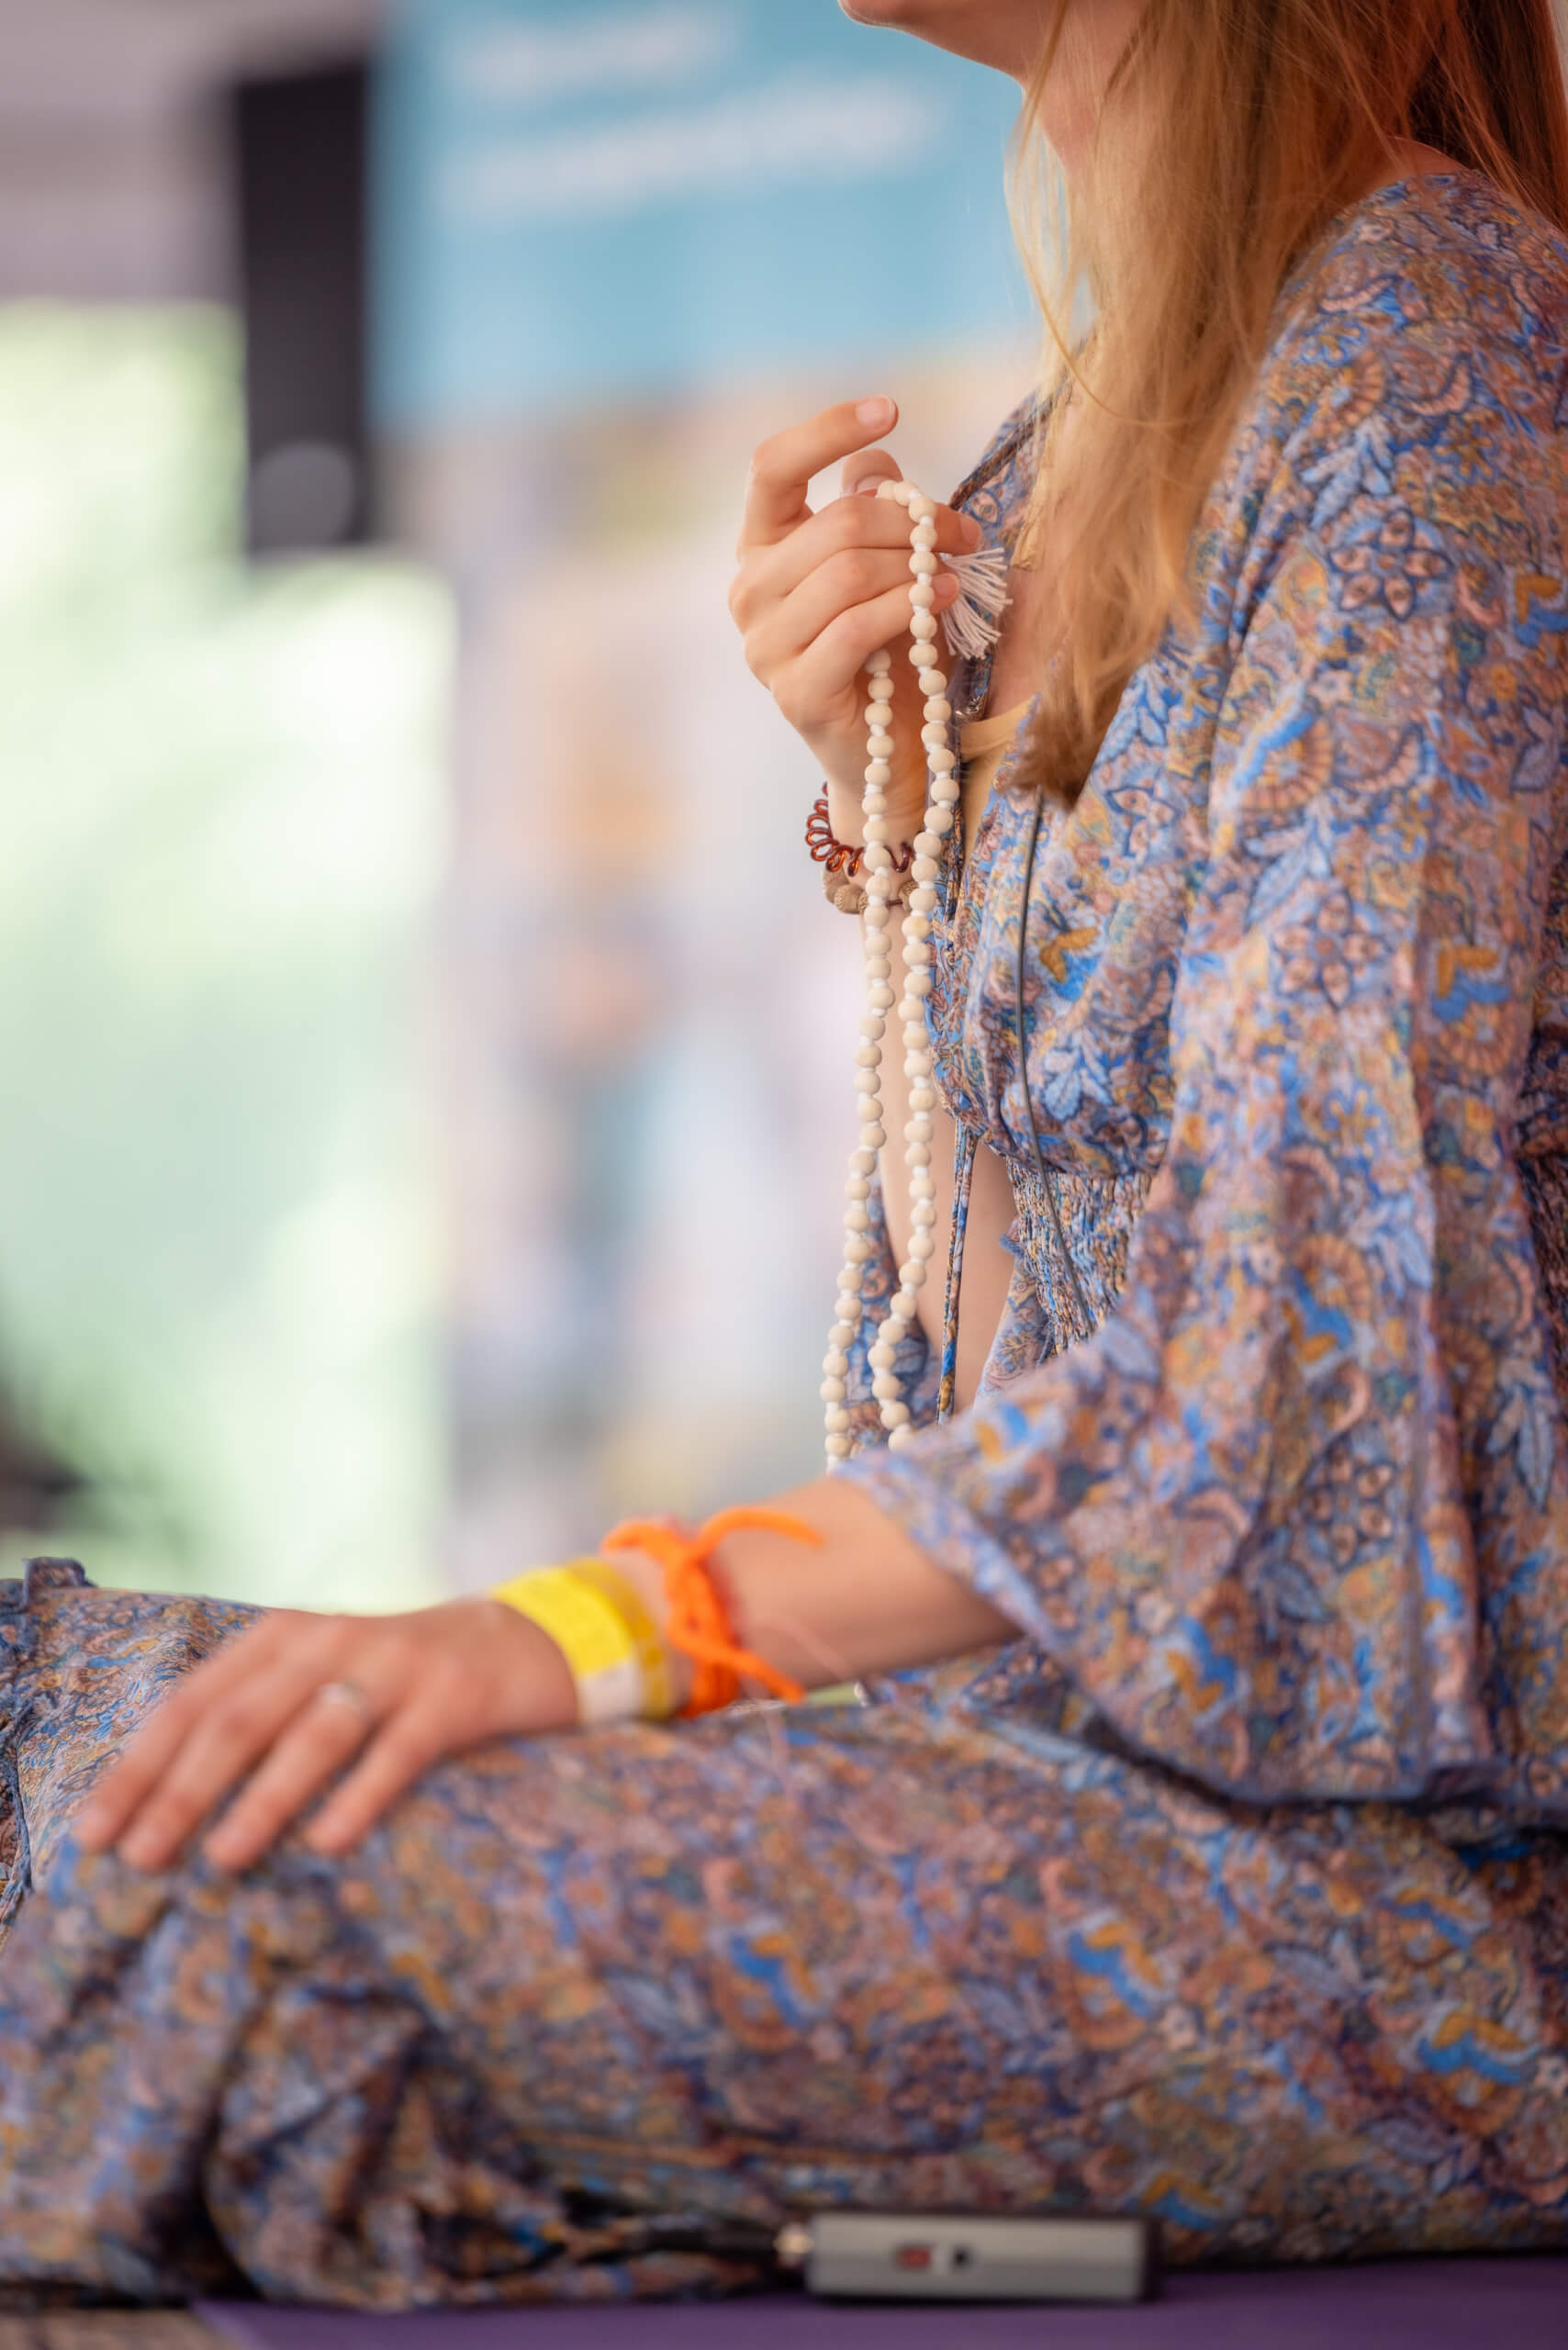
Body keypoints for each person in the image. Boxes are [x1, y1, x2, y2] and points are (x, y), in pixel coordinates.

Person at [5, 0, 1568, 2309]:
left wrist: (584, 1630)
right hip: (1064, 1771)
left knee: (223, 1881)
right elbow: (986, 1363)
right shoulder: (1090, 432)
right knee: (32, 1708)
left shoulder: (1427, 353)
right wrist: (901, 823)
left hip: (1406, 1891)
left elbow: (1299, 1360)